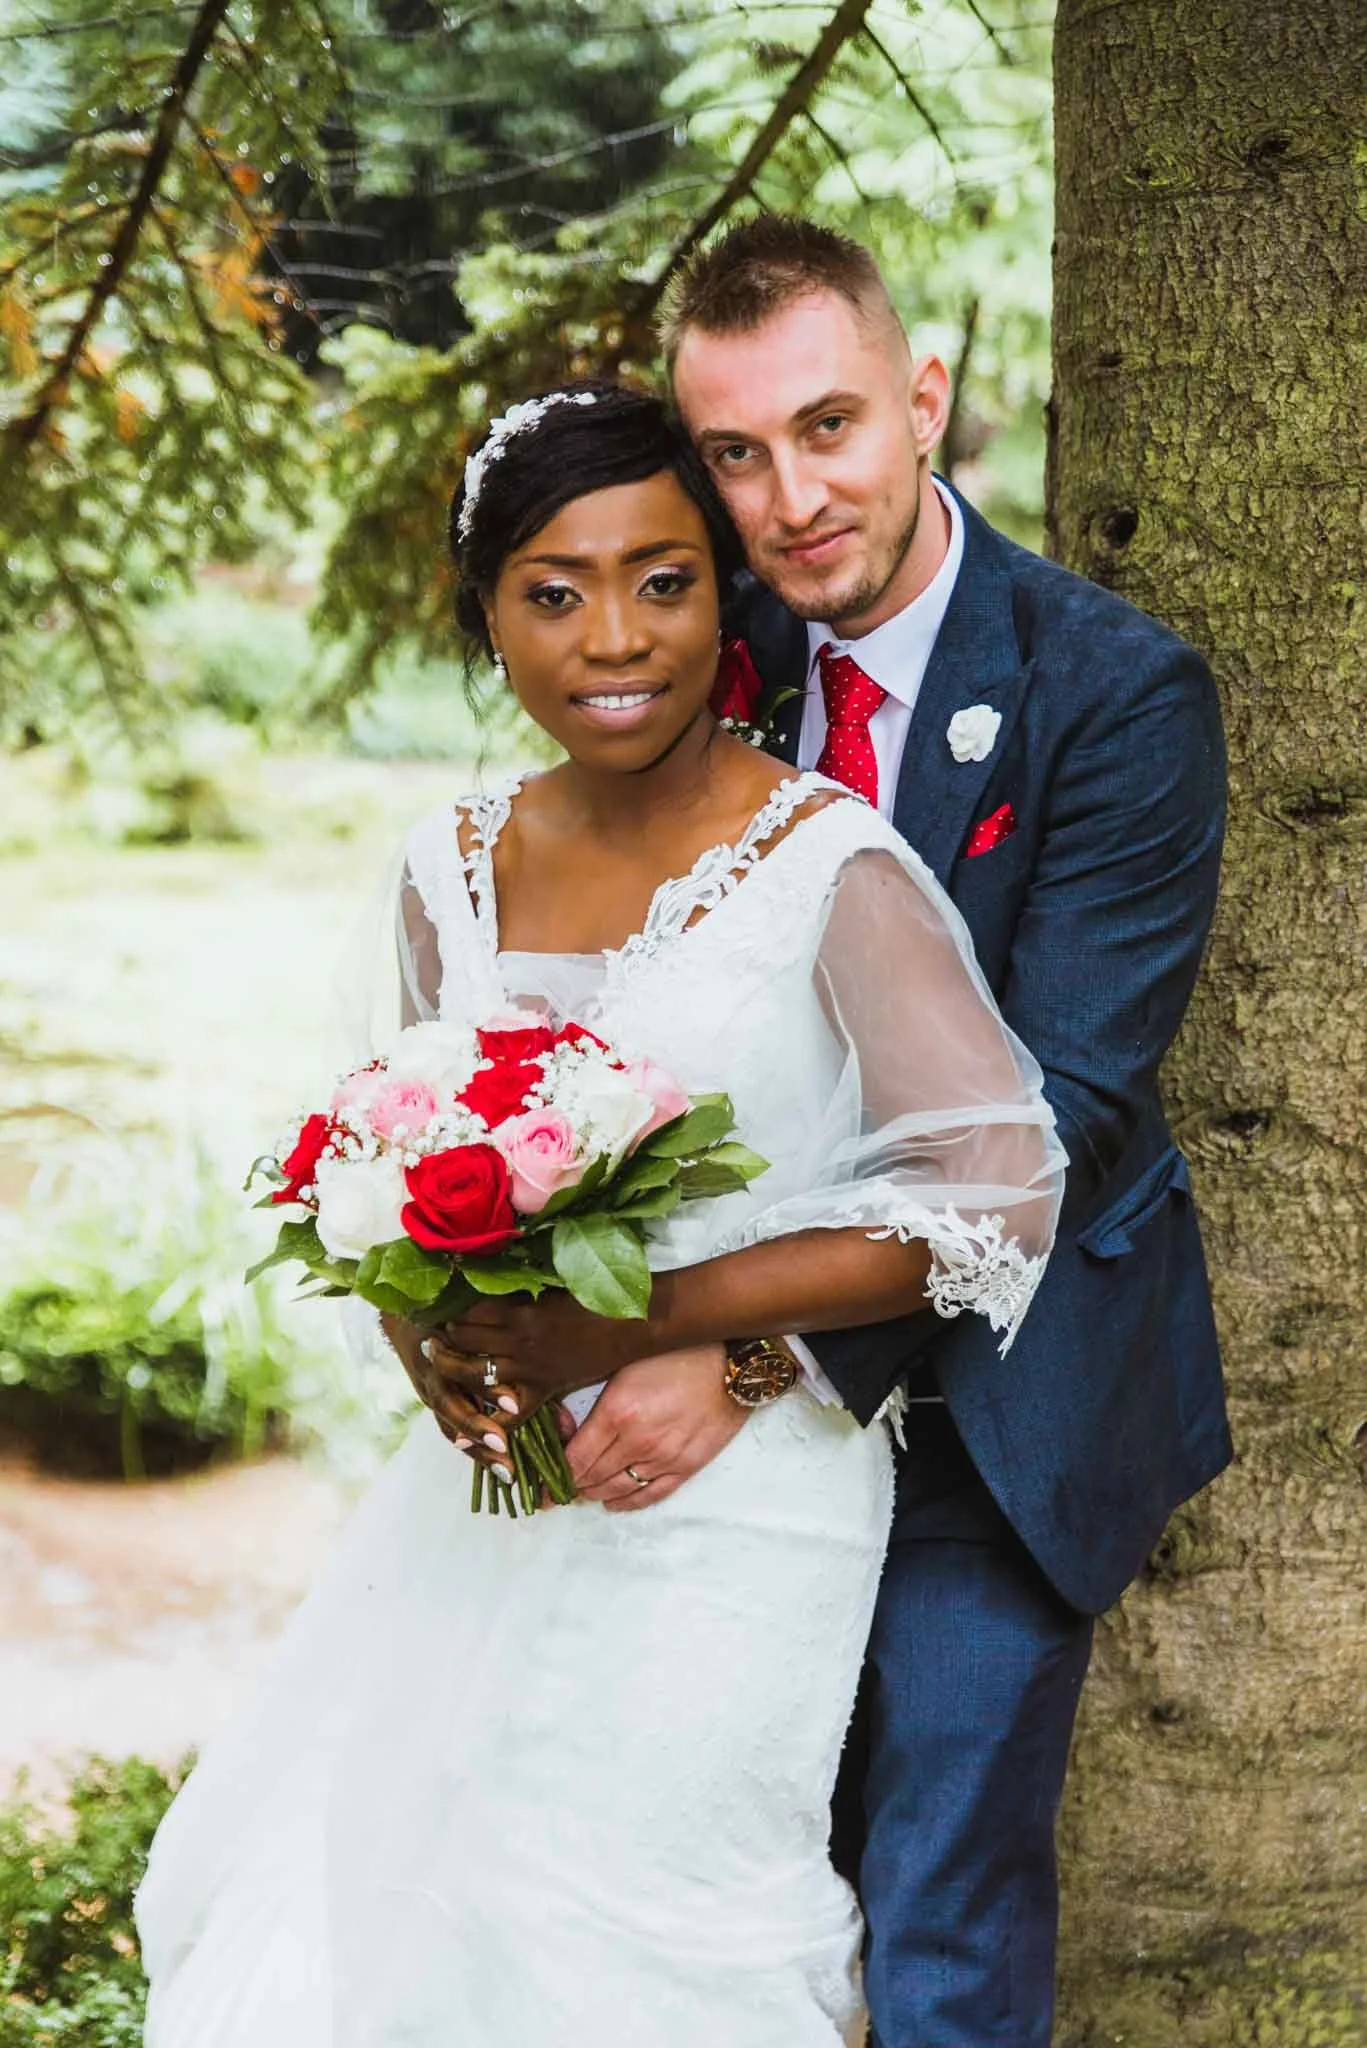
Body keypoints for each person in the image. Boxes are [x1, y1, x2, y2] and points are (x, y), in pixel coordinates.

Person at [135, 381, 1063, 2046]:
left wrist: (665, 1330)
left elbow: (996, 1187)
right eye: (552, 591)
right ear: (485, 617)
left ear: (727, 604)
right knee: (435, 1885)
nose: (612, 636)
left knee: (659, 1908)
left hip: (739, 1495)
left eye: (663, 579)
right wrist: (433, 1332)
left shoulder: (822, 861)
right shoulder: (446, 864)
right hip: (496, 1490)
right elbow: (395, 1158)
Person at [415, 222, 1232, 2047]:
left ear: (921, 399)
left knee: (936, 1904)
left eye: (830, 427)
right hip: (672, 1426)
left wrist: (744, 1347)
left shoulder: (1113, 693)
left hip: (985, 1409)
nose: (788, 500)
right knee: (688, 1876)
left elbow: (1067, 1112)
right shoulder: (693, 647)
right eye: (734, 455)